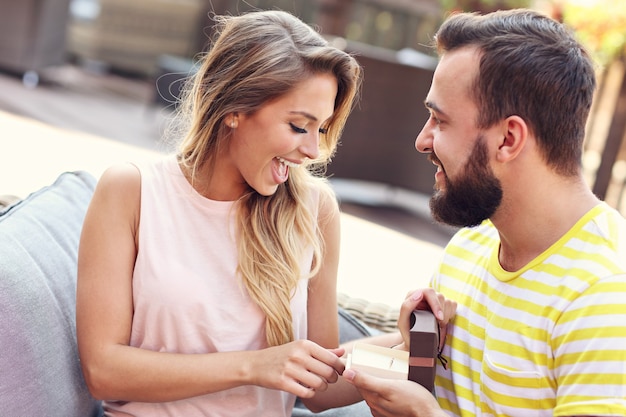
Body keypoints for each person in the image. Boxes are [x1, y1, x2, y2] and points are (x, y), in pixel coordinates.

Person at [76, 9, 366, 417]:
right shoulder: (132, 192)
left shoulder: (313, 211)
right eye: (300, 126)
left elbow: (320, 389)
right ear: (235, 108)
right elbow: (102, 370)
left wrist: (405, 342)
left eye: (322, 129)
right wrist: (253, 367)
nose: (313, 151)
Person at [341, 8, 626, 417]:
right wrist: (410, 347)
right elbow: (324, 391)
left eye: (440, 120)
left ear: (508, 139)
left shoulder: (605, 295)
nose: (423, 140)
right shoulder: (471, 247)